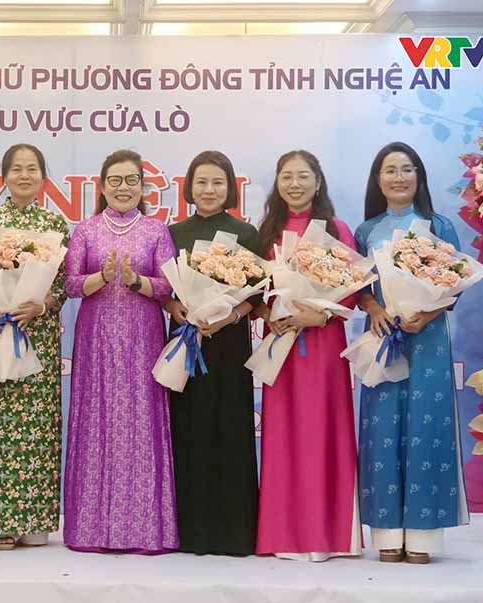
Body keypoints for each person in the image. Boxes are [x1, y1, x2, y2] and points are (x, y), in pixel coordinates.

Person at [354, 141, 470, 564]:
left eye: (406, 169)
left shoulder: (439, 225)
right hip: (383, 336)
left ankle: (423, 536)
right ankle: (387, 533)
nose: (398, 177)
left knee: (427, 427)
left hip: (429, 339)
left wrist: (428, 312)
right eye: (390, 170)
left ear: (419, 176)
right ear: (378, 179)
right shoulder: (366, 231)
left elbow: (456, 284)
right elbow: (358, 287)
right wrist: (374, 308)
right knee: (382, 428)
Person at [62, 149, 178, 554]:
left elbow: (168, 285)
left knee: (141, 421)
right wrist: (103, 276)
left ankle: (143, 530)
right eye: (115, 180)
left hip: (143, 337)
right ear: (102, 186)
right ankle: (91, 529)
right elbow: (70, 284)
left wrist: (134, 281)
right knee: (96, 420)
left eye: (131, 180)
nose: (123, 187)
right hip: (95, 338)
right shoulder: (86, 230)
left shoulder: (156, 231)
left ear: (143, 187)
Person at [253, 150, 361, 561]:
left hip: (323, 342)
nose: (294, 184)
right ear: (277, 183)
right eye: (286, 176)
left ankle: (327, 535)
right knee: (283, 433)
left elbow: (352, 287)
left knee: (322, 430)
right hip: (281, 342)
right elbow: (253, 289)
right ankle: (283, 534)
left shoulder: (336, 229)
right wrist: (269, 313)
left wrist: (322, 313)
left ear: (318, 182)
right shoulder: (267, 230)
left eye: (303, 176)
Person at [0, 144, 69, 550]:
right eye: (16, 169)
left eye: (32, 169)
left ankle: (35, 520)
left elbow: (64, 284)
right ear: (4, 177)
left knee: (37, 427)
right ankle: (0, 522)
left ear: (43, 177)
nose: (24, 176)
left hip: (35, 334)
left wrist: (42, 304)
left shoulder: (54, 225)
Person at [164, 150, 260, 556]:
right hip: (187, 340)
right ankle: (191, 533)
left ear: (230, 187)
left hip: (229, 344)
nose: (209, 190)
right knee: (189, 429)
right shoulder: (172, 233)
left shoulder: (246, 233)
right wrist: (174, 306)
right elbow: (162, 288)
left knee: (230, 429)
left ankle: (234, 534)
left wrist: (229, 315)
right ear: (189, 187)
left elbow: (257, 294)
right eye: (201, 182)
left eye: (217, 182)